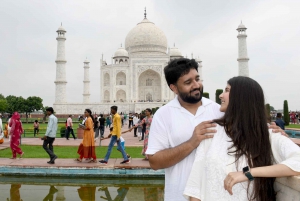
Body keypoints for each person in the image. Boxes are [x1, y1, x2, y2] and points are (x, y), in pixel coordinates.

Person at [145, 58, 284, 201]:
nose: (196, 85)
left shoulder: (218, 110)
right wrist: (192, 142)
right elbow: (155, 162)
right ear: (173, 88)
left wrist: (271, 133)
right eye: (188, 82)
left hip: (215, 194)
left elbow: (248, 127)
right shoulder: (163, 115)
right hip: (178, 195)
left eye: (197, 79)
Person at [184, 76, 300, 201]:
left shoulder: (267, 134)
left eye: (227, 90)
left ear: (241, 97)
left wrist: (248, 173)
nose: (221, 95)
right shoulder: (212, 131)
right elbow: (196, 186)